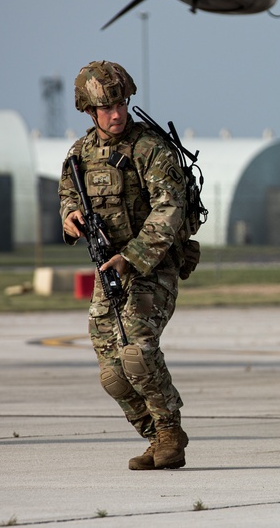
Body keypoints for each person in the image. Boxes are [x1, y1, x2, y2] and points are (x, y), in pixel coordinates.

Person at [59, 60, 189, 470]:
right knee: (112, 372)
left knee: (137, 352)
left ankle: (170, 431)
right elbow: (67, 195)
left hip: (153, 268)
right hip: (107, 272)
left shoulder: (150, 149)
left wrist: (131, 258)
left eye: (122, 105)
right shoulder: (79, 154)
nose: (117, 114)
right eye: (106, 108)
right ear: (88, 111)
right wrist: (70, 217)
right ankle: (154, 439)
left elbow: (169, 210)